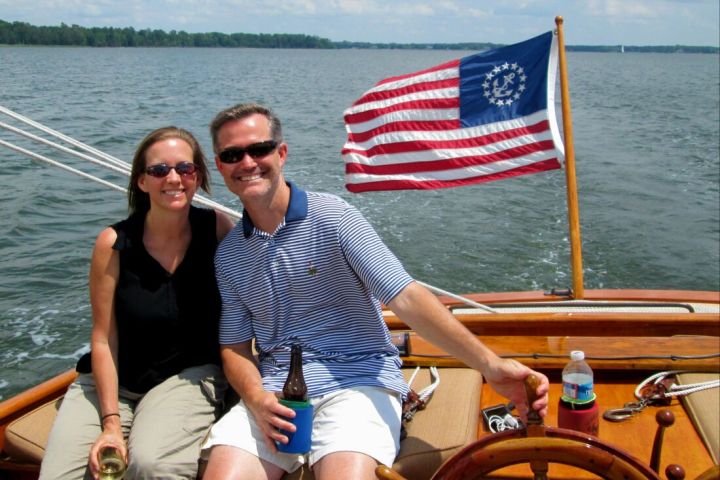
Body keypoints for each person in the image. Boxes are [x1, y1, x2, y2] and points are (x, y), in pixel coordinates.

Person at [200, 103, 550, 480]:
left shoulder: (334, 219)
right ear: (220, 166)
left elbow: (406, 297)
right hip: (275, 392)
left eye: (260, 149)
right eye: (233, 155)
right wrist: (256, 399)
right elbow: (235, 347)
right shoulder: (230, 254)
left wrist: (488, 364)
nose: (248, 162)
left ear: (281, 153)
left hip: (358, 379)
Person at [39, 127, 235, 480]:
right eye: (159, 170)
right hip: (114, 378)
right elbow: (102, 337)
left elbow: (270, 273)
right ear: (142, 181)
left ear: (198, 177)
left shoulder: (218, 229)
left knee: (152, 465)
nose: (173, 178)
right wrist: (110, 423)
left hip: (186, 375)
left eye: (185, 169)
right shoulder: (113, 244)